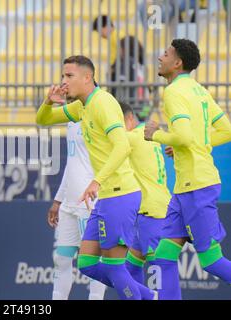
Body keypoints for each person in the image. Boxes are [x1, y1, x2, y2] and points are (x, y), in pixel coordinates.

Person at [36, 55, 156, 300]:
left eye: (69, 76)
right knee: (87, 264)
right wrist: (48, 102)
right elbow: (43, 120)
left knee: (114, 269)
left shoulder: (103, 103)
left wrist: (96, 181)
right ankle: (151, 297)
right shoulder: (82, 106)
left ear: (87, 77)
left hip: (119, 195)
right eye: (63, 76)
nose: (63, 82)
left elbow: (122, 146)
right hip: (105, 199)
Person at [144, 39, 231, 299]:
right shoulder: (199, 90)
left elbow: (181, 136)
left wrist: (156, 135)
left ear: (177, 63)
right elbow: (225, 130)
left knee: (212, 261)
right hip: (186, 189)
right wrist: (188, 144)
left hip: (197, 186)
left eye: (166, 54)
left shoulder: (172, 92)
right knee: (163, 257)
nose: (161, 57)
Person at [45, 116, 107, 300]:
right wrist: (58, 200)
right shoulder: (71, 122)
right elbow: (71, 164)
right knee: (61, 259)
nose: (66, 88)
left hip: (88, 203)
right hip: (69, 205)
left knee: (92, 262)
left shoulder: (97, 117)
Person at [118, 101, 171, 286]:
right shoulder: (146, 134)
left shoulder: (132, 137)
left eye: (118, 123)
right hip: (152, 207)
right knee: (131, 267)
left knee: (158, 269)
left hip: (151, 211)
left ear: (130, 118)